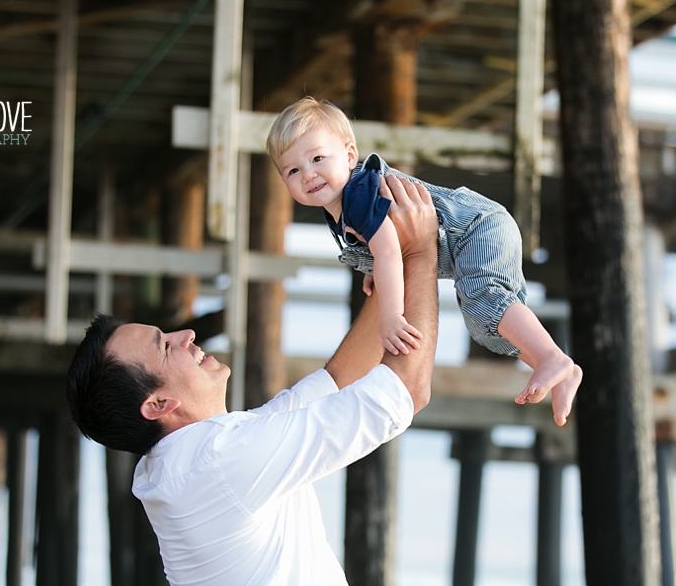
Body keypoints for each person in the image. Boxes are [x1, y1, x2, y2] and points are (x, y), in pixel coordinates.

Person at [66, 175, 442, 585]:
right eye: (164, 345)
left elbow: (337, 380)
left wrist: (394, 271)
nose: (186, 335)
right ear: (157, 405)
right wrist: (422, 252)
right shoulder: (218, 460)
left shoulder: (192, 461)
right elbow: (405, 390)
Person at [267, 96, 581, 427]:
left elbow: (390, 250)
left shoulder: (358, 197)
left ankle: (550, 357)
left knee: (486, 301)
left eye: (318, 158)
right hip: (470, 234)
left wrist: (390, 316)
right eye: (293, 170)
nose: (309, 174)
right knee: (484, 325)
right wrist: (376, 270)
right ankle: (557, 369)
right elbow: (385, 252)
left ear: (348, 155)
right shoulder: (341, 207)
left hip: (473, 228)